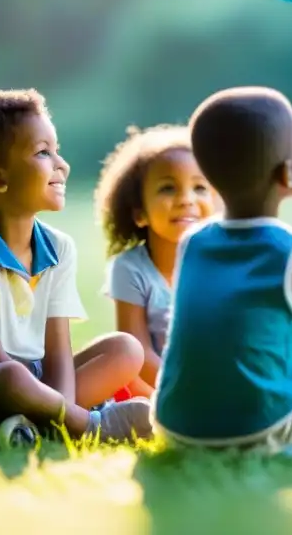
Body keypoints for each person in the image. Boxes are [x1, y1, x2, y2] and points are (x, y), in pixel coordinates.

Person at [0, 89, 153, 448]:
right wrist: (69, 411)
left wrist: (59, 405)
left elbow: (58, 351)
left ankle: (40, 426)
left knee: (126, 350)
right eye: (43, 153)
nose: (61, 165)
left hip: (33, 380)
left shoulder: (59, 247)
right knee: (12, 378)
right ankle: (93, 426)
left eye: (57, 150)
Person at [152, 86, 292, 458]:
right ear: (287, 174)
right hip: (254, 424)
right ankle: (287, 445)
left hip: (175, 425)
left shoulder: (192, 242)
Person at [94, 124, 217, 400]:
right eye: (168, 188)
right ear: (139, 213)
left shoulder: (222, 264)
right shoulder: (130, 268)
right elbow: (138, 353)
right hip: (153, 386)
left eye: (199, 187)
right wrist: (188, 393)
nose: (186, 200)